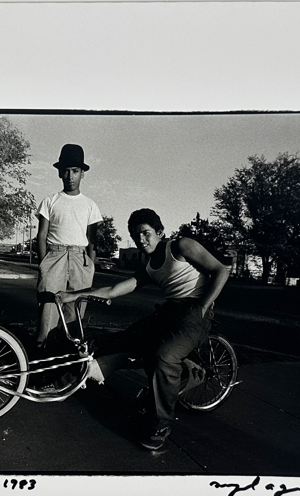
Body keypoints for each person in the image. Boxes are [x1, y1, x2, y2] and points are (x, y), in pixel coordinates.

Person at [57, 208, 230, 450]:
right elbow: (113, 290)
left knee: (164, 356)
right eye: (136, 235)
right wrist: (71, 296)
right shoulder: (149, 268)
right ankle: (69, 378)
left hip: (195, 311)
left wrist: (202, 306)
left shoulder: (181, 246)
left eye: (146, 233)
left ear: (159, 232)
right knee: (125, 339)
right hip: (170, 311)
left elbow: (221, 270)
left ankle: (160, 425)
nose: (141, 240)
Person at [35, 144, 103, 347]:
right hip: (54, 256)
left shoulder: (90, 205)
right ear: (59, 173)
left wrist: (89, 265)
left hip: (79, 258)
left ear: (83, 174)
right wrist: (44, 264)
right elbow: (42, 235)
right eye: (66, 171)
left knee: (75, 311)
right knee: (48, 306)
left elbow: (92, 241)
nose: (70, 176)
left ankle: (68, 357)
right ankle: (41, 353)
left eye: (75, 171)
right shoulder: (50, 201)